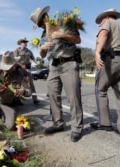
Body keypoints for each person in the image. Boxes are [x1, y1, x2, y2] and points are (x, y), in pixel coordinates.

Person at [30, 6, 83, 142]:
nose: (42, 25)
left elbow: (77, 39)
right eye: (39, 24)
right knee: (53, 94)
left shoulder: (64, 23)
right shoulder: (43, 34)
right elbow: (42, 55)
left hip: (68, 63)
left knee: (73, 97)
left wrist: (61, 35)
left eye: (41, 22)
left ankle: (77, 128)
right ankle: (58, 123)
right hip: (53, 66)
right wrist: (42, 48)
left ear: (46, 16)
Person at [90, 8, 120, 139]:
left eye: (100, 20)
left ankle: (105, 123)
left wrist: (97, 52)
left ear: (107, 16)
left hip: (112, 60)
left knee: (100, 89)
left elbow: (103, 34)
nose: (100, 23)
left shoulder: (108, 22)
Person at [14, 37, 40, 104]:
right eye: (23, 42)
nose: (25, 43)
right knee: (18, 84)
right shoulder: (16, 51)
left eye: (26, 42)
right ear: (20, 43)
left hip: (27, 69)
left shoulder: (29, 51)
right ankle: (17, 99)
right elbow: (14, 60)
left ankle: (35, 99)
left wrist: (37, 62)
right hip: (19, 69)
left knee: (31, 83)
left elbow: (33, 58)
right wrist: (21, 65)